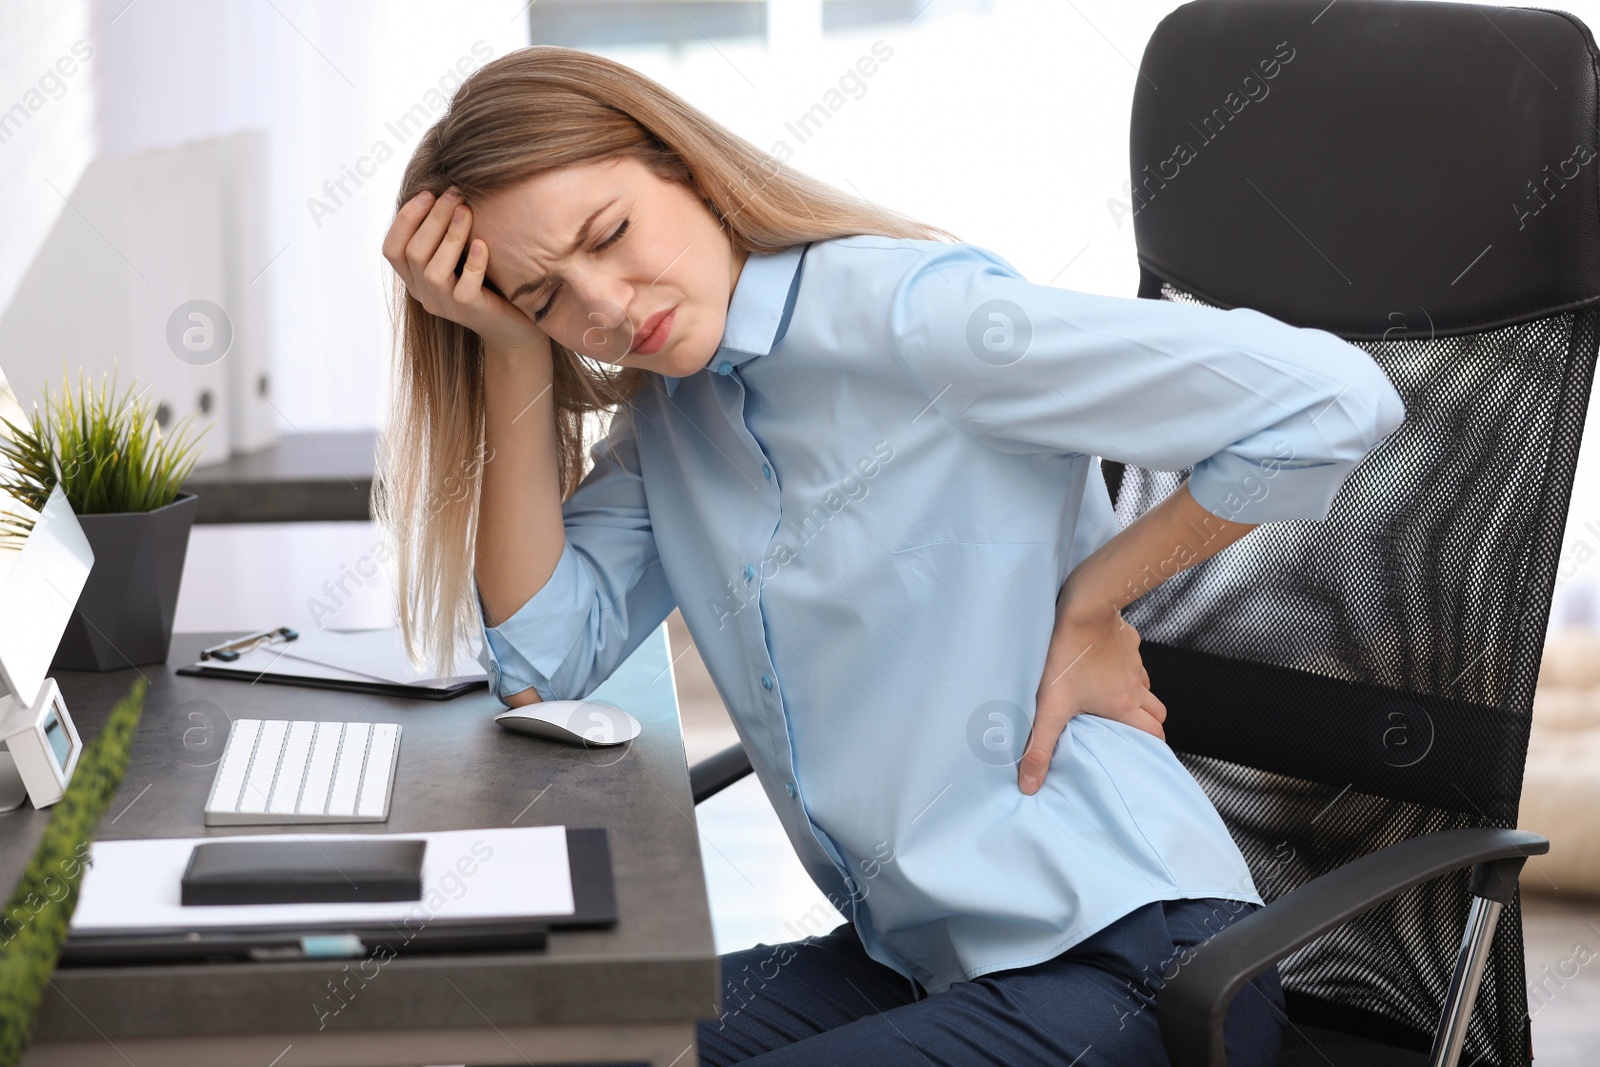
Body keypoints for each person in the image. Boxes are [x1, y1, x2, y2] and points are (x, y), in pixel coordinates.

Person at [378, 45, 1405, 1067]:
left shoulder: (917, 317)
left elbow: (1333, 401)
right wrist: (510, 352)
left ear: (681, 166)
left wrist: (1097, 596)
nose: (602, 305)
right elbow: (540, 659)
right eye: (548, 297)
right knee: (526, 1036)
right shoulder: (670, 422)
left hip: (1135, 962)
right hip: (922, 957)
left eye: (609, 234)